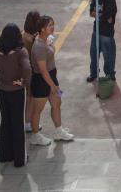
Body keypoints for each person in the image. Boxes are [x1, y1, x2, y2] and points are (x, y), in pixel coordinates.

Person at [0, 24, 31, 167]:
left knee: (5, 121)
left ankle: (4, 155)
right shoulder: (21, 52)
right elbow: (27, 68)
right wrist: (23, 82)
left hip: (1, 89)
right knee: (17, 123)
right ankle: (19, 159)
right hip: (16, 90)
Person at [28, 16, 74, 145]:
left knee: (57, 103)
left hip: (52, 77)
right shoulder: (38, 47)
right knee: (38, 109)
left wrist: (54, 84)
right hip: (41, 81)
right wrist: (53, 86)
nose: (53, 27)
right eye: (49, 25)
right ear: (42, 29)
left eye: (53, 24)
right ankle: (35, 135)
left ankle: (59, 131)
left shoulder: (46, 40)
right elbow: (42, 70)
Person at [87, 0, 118, 82]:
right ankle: (94, 73)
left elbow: (109, 16)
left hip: (107, 33)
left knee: (108, 56)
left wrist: (99, 15)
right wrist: (102, 15)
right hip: (96, 30)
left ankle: (109, 74)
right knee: (93, 53)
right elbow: (91, 13)